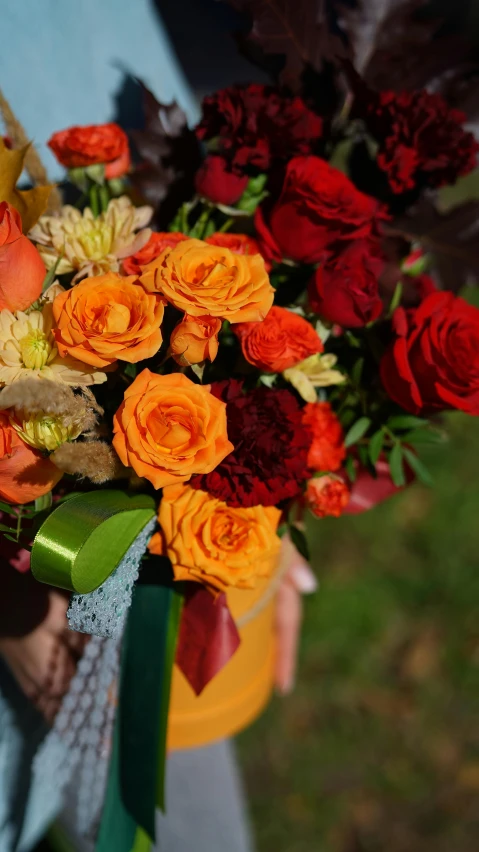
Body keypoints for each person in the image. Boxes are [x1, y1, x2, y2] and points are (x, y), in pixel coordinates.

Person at [0, 3, 317, 850]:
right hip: (32, 588)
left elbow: (184, 185)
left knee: (184, 809)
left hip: (140, 590)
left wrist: (269, 519)